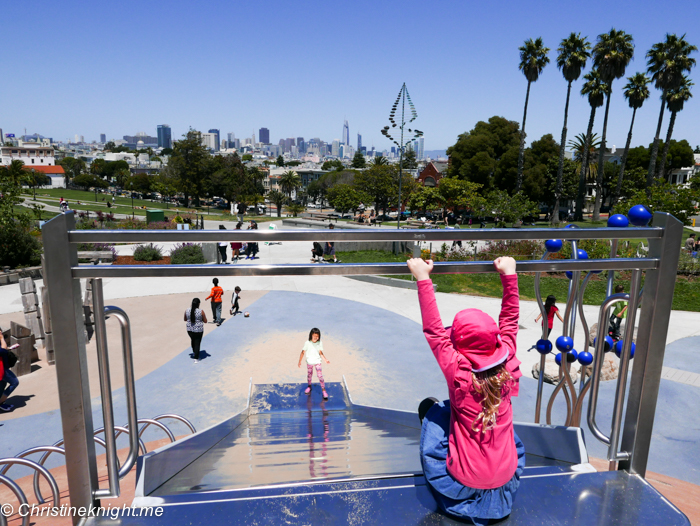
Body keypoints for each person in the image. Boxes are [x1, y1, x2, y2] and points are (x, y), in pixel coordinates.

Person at [407, 256, 524, 524]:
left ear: (459, 346)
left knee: (435, 413)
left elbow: (434, 331)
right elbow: (510, 320)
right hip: (506, 480)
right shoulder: (508, 358)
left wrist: (423, 278)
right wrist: (509, 274)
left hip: (462, 484)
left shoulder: (457, 371)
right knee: (499, 428)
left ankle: (457, 501)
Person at [297, 328, 330, 399]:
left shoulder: (320, 343)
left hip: (317, 361)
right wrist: (299, 361)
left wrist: (325, 359)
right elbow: (303, 352)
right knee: (309, 375)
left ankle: (324, 390)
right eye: (314, 336)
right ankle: (309, 386)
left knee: (320, 376)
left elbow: (320, 352)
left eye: (317, 336)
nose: (316, 338)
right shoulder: (307, 343)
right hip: (309, 362)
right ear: (311, 335)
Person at [0, 329, 21, 411]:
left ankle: (2, 403)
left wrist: (10, 347)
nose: (1, 332)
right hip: (1, 369)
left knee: (2, 384)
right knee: (14, 382)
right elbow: (2, 350)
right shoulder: (0, 339)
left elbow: (3, 349)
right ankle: (1, 401)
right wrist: (2, 339)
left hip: (3, 367)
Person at [184, 298, 207, 363]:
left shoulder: (187, 310)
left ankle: (194, 352)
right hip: (198, 330)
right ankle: (196, 358)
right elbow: (205, 321)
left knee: (193, 340)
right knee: (197, 343)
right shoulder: (201, 311)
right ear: (198, 304)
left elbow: (185, 319)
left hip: (189, 329)